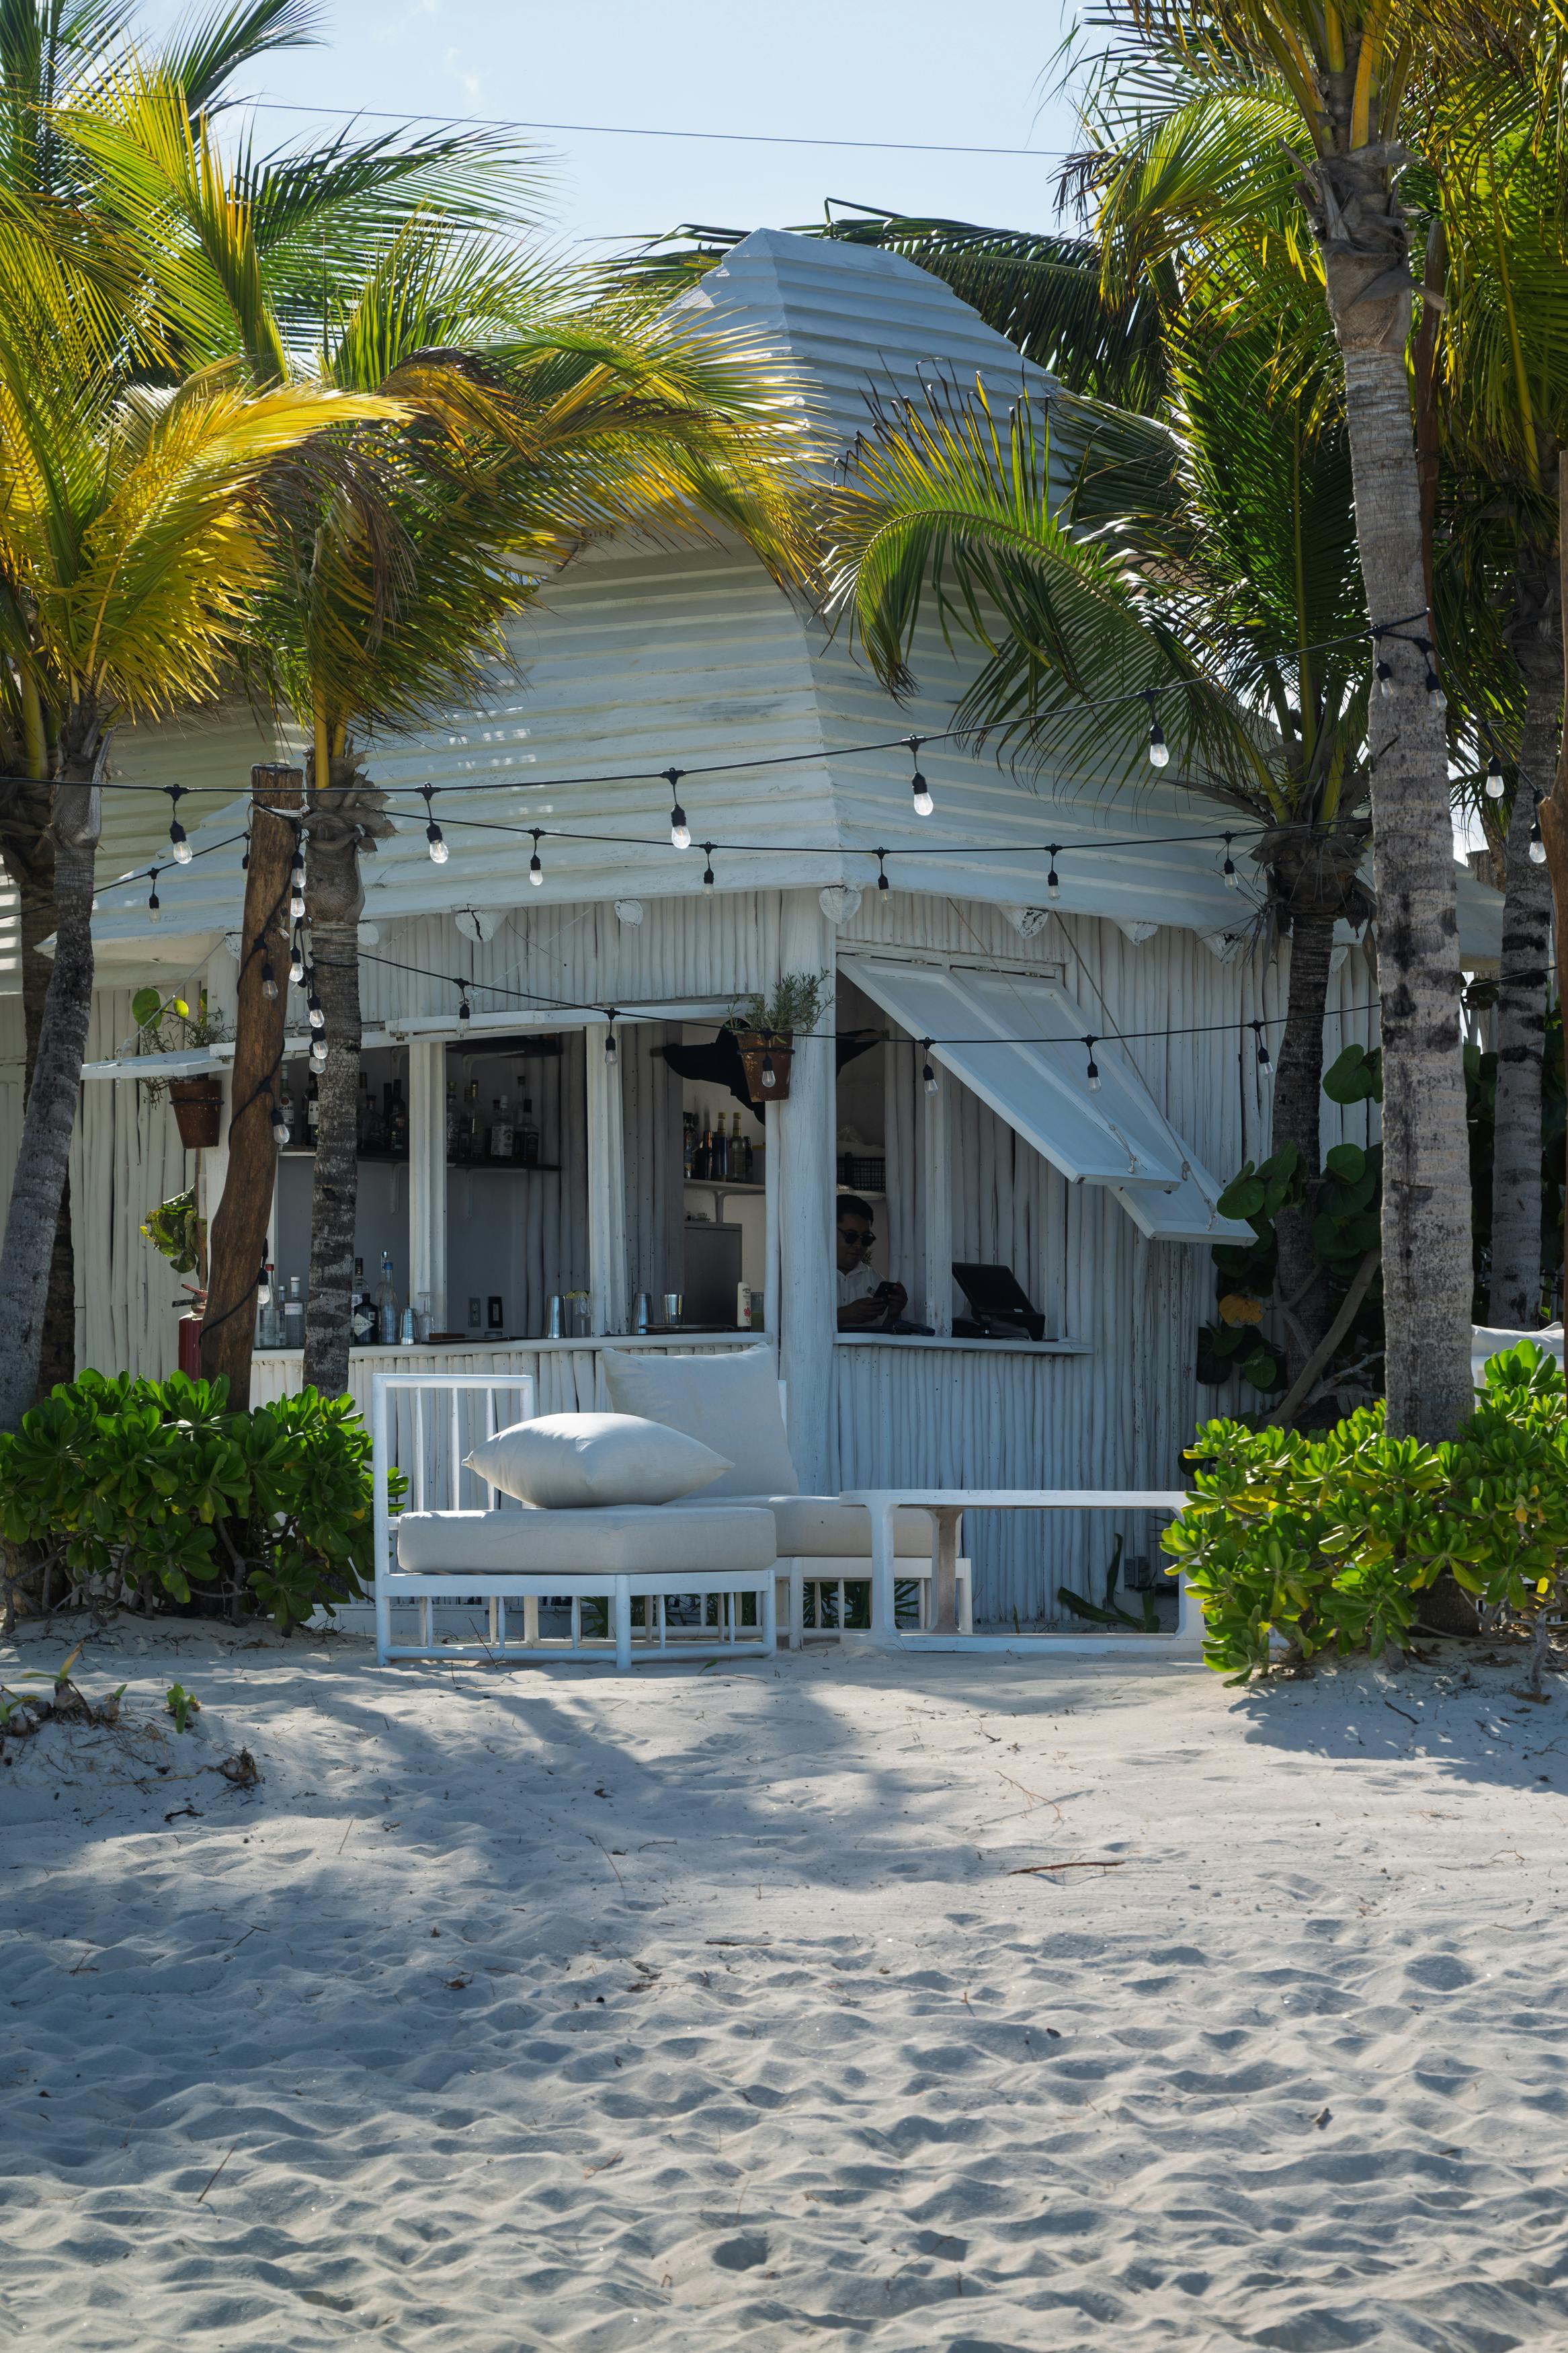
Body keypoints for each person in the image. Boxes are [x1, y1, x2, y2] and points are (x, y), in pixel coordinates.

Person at [836, 1194, 908, 1330]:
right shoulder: (806, 1276)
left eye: (866, 1239)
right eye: (851, 1236)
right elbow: (792, 1326)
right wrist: (845, 1315)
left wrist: (894, 1314)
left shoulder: (875, 1280)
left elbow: (883, 1339)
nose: (858, 1245)